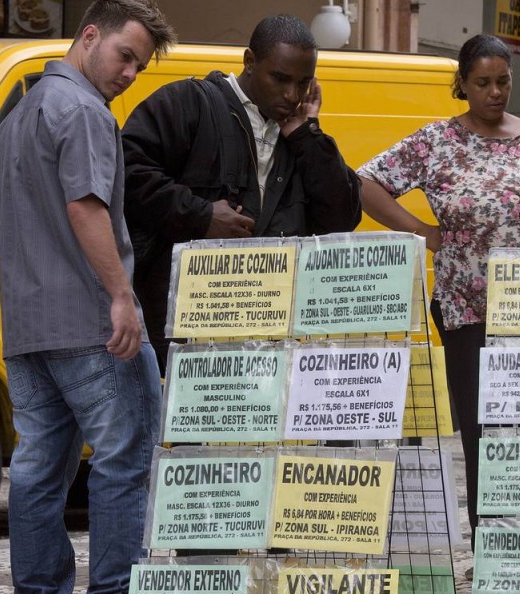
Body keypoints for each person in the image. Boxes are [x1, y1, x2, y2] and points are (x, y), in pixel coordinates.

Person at [356, 34, 520, 560]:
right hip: (467, 308)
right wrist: (423, 230)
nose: (495, 93)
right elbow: (366, 183)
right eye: (483, 83)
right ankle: (492, 544)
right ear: (462, 85)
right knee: (482, 430)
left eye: (504, 81)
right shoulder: (436, 142)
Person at [0, 0, 175, 594]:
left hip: (26, 326)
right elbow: (85, 206)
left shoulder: (17, 116)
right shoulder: (86, 112)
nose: (130, 73)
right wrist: (122, 297)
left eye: (140, 65)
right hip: (91, 323)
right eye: (125, 56)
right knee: (125, 459)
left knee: (39, 466)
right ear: (89, 34)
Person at [122, 14, 362, 374]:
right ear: (250, 61)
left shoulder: (299, 137)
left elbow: (342, 217)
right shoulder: (189, 102)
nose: (292, 94)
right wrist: (200, 215)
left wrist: (306, 133)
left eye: (303, 82)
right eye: (280, 78)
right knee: (183, 431)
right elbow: (127, 173)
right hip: (182, 331)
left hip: (268, 334)